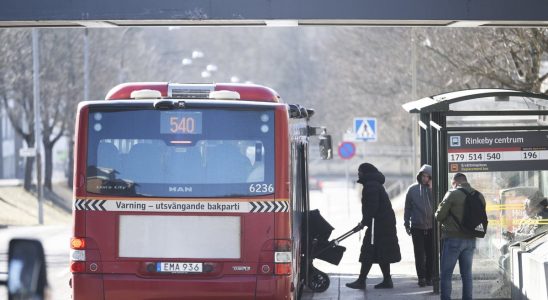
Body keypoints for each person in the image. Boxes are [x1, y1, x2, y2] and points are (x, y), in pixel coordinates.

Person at [346, 163, 401, 290]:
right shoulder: (374, 184)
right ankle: (387, 280)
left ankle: (361, 280)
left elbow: (372, 206)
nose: (358, 173)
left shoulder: (370, 185)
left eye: (359, 171)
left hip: (378, 224)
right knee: (382, 252)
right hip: (383, 223)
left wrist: (364, 222)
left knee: (368, 251)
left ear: (365, 173)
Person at [435, 172, 485, 300]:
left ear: (455, 182)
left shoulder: (453, 193)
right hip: (470, 240)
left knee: (446, 274)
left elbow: (439, 216)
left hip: (453, 239)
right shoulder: (479, 195)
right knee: (466, 274)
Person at [403, 164, 434, 287]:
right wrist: (406, 223)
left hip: (431, 227)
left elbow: (438, 204)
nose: (425, 178)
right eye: (423, 176)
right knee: (419, 254)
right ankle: (421, 278)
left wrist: (431, 189)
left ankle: (429, 277)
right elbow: (407, 207)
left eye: (427, 176)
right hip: (417, 227)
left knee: (430, 254)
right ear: (419, 176)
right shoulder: (412, 190)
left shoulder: (434, 189)